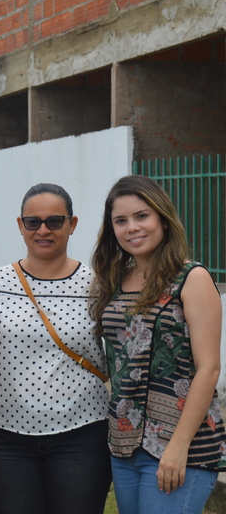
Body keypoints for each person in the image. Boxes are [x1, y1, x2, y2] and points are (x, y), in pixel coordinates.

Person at [0, 183, 111, 514]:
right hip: (11, 440)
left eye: (55, 221)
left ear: (72, 224)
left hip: (82, 436)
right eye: (33, 222)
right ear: (21, 225)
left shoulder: (99, 287)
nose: (43, 230)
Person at [90, 174, 226, 514]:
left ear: (162, 219)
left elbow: (208, 369)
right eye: (120, 221)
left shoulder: (191, 278)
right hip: (124, 445)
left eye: (142, 216)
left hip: (181, 446)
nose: (132, 228)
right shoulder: (114, 281)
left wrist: (178, 447)